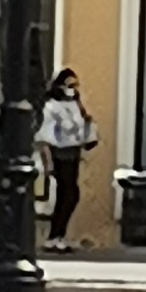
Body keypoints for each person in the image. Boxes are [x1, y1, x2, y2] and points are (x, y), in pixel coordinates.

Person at [36, 66, 97, 247]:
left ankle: (57, 235)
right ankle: (55, 235)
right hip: (60, 154)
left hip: (73, 153)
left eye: (75, 85)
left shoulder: (76, 104)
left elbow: (82, 125)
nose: (72, 88)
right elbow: (44, 136)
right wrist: (48, 162)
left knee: (66, 195)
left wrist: (88, 136)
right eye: (69, 84)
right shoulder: (51, 106)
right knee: (69, 193)